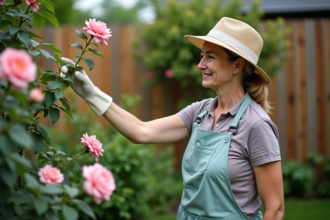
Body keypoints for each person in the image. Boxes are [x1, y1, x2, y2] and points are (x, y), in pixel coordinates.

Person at [60, 17, 284, 220]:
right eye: (202, 56)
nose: (200, 65)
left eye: (211, 57)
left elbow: (275, 208)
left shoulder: (256, 125)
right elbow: (141, 132)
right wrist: (92, 94)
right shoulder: (200, 112)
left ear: (237, 65)